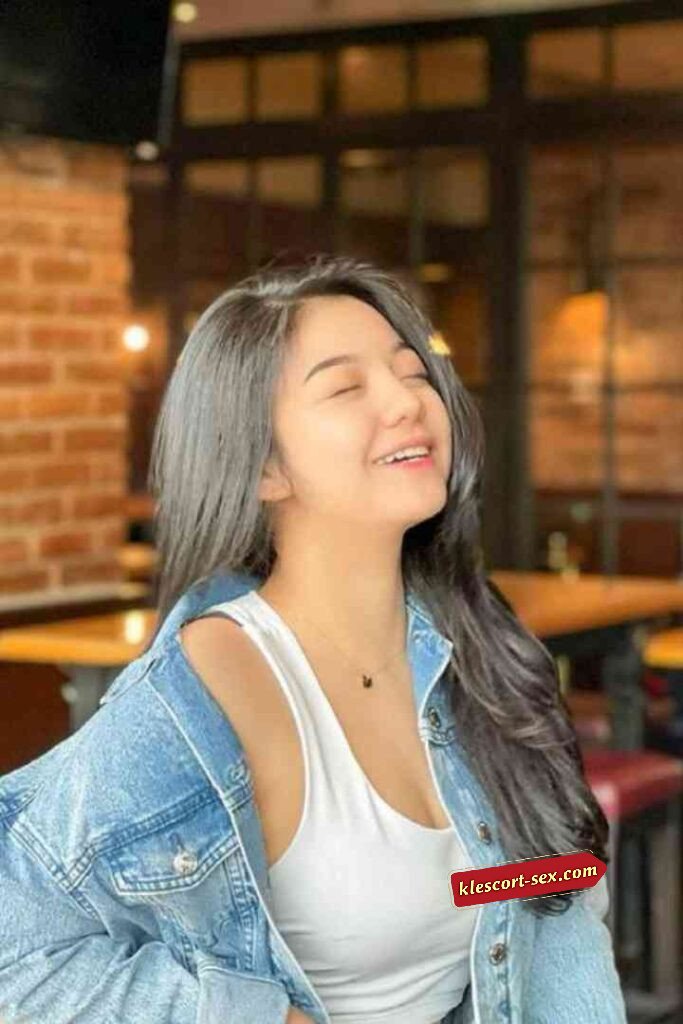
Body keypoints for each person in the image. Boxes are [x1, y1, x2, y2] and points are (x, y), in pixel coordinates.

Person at [0, 254, 626, 1024]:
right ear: (263, 465)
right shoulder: (213, 683)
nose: (406, 401)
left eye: (412, 371)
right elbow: (16, 953)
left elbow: (544, 904)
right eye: (345, 387)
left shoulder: (477, 653)